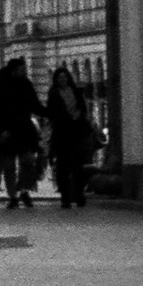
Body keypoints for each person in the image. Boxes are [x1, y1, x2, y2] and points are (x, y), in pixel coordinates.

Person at [0, 57, 42, 209]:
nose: (25, 72)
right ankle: (13, 196)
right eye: (22, 70)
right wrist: (1, 130)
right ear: (14, 70)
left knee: (28, 161)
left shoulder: (26, 84)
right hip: (7, 130)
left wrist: (49, 112)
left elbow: (35, 104)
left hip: (23, 128)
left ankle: (23, 189)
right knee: (9, 166)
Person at [45, 65, 99, 211]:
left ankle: (79, 194)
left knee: (78, 166)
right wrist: (67, 118)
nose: (63, 80)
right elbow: (53, 113)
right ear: (56, 80)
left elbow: (82, 107)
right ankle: (65, 197)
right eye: (60, 78)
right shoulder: (54, 94)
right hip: (62, 134)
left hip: (76, 133)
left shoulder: (75, 91)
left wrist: (79, 115)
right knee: (62, 166)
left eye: (65, 77)